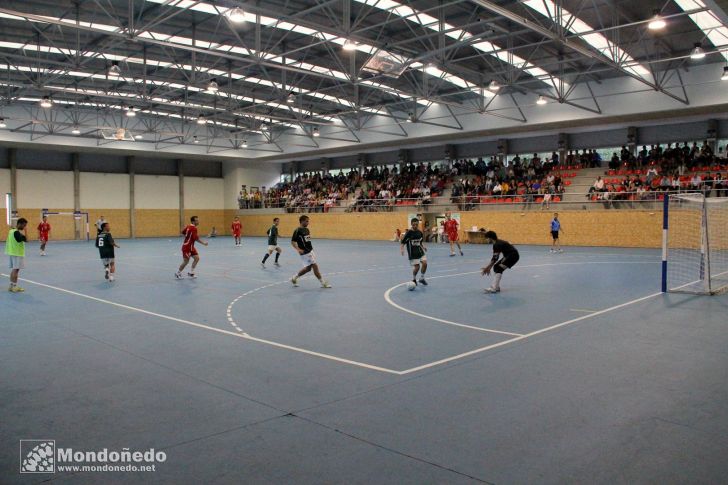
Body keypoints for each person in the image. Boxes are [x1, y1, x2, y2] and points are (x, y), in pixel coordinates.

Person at [290, 215, 331, 288]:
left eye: (308, 221)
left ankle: (294, 278)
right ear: (302, 221)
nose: (308, 222)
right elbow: (293, 242)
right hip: (305, 252)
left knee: (308, 269)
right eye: (307, 221)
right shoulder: (297, 230)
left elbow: (308, 241)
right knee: (315, 266)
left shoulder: (307, 230)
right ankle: (323, 283)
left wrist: (312, 250)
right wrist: (298, 250)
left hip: (310, 251)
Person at [400, 217, 428, 287]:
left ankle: (422, 278)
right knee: (417, 267)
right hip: (413, 252)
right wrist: (402, 249)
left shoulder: (420, 232)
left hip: (420, 250)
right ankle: (414, 279)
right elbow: (403, 242)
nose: (415, 226)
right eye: (413, 225)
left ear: (418, 224)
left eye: (416, 224)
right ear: (411, 224)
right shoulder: (409, 233)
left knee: (425, 263)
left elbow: (420, 242)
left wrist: (423, 247)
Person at [5, 217, 28, 292]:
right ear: (19, 224)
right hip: (17, 254)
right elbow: (26, 239)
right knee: (16, 270)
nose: (24, 227)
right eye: (24, 225)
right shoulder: (17, 232)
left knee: (14, 269)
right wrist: (26, 231)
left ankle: (11, 286)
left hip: (12, 253)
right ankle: (14, 286)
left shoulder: (11, 231)